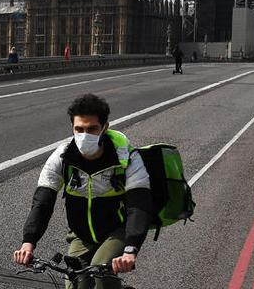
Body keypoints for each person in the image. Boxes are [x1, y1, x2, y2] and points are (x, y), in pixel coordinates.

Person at [13, 94, 153, 289]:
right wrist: (28, 242)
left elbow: (139, 205)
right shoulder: (61, 157)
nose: (84, 135)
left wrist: (130, 250)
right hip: (81, 234)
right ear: (72, 128)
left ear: (105, 127)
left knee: (101, 273)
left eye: (92, 129)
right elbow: (42, 202)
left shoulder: (127, 158)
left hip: (117, 231)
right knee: (74, 284)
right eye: (79, 129)